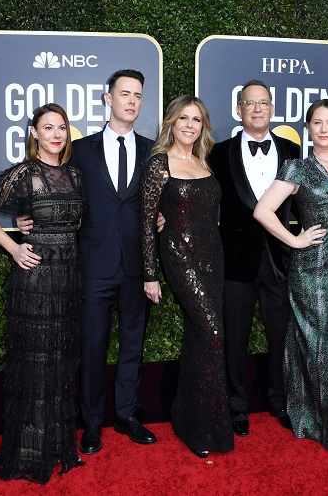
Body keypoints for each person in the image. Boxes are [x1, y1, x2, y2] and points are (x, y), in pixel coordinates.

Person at [17, 69, 157, 454]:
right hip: (93, 266)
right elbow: (50, 186)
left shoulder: (153, 151)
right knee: (92, 347)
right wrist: (25, 214)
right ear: (107, 98)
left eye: (138, 95)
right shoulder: (79, 150)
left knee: (133, 345)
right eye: (124, 93)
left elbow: (162, 199)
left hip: (138, 267)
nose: (131, 101)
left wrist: (163, 217)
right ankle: (92, 423)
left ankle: (127, 415)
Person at [253, 99, 328, 453]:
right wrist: (295, 239)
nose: (323, 129)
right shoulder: (297, 168)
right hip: (313, 270)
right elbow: (263, 211)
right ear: (308, 128)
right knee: (320, 344)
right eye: (317, 123)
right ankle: (321, 420)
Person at [0, 103, 84, 483]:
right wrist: (14, 247)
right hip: (36, 282)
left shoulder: (74, 174)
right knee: (35, 364)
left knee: (61, 362)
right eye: (47, 127)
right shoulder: (25, 173)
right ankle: (29, 451)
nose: (56, 134)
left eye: (61, 128)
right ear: (34, 133)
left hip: (68, 279)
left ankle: (57, 445)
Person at [141, 95, 234, 458]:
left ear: (202, 126)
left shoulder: (204, 160)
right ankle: (198, 425)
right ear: (171, 123)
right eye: (183, 118)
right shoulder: (158, 163)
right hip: (179, 256)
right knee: (211, 331)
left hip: (214, 256)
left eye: (196, 120)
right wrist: (150, 273)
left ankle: (190, 417)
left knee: (202, 335)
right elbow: (146, 222)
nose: (190, 125)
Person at [208, 79, 300, 435]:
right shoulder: (218, 153)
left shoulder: (292, 151)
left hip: (280, 261)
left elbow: (305, 205)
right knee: (235, 337)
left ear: (272, 108)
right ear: (239, 109)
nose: (258, 108)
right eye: (250, 103)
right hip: (235, 261)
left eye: (263, 102)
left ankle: (280, 401)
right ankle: (236, 406)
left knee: (281, 336)